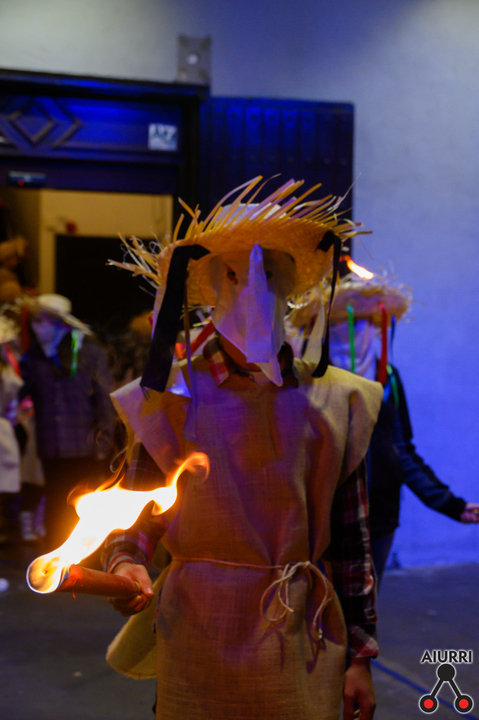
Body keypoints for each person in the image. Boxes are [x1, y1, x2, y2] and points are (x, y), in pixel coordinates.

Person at [101, 177, 383, 720]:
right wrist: (126, 559)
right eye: (235, 273)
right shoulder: (169, 398)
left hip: (297, 627)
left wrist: (359, 655)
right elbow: (134, 510)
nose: (254, 288)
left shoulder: (337, 401)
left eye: (269, 272)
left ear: (290, 286)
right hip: (197, 627)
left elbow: (351, 540)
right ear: (211, 283)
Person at [302, 260, 479, 585]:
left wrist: (451, 505)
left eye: (369, 323)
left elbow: (401, 451)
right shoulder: (307, 380)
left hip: (378, 517)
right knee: (320, 606)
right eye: (347, 322)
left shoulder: (389, 379)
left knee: (364, 606)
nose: (360, 333)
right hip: (320, 520)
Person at [20, 294, 115, 551]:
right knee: (54, 502)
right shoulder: (35, 357)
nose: (37, 327)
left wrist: (103, 442)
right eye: (35, 321)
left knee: (83, 505)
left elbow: (104, 399)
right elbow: (20, 391)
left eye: (43, 321)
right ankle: (55, 556)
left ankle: (84, 557)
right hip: (51, 446)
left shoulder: (88, 352)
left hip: (84, 446)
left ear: (59, 324)